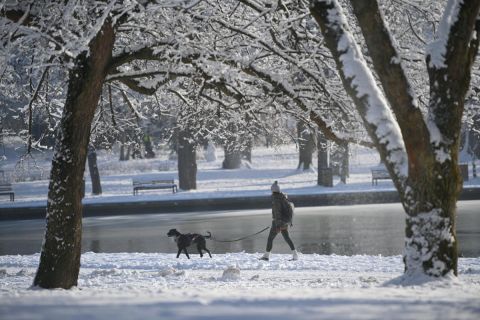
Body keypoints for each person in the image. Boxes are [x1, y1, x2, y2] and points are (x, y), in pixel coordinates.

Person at [259, 181, 298, 261]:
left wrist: (278, 226)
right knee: (287, 238)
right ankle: (295, 255)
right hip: (285, 221)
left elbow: (277, 214)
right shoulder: (283, 197)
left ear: (273, 190)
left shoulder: (276, 200)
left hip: (278, 222)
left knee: (270, 238)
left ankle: (266, 256)